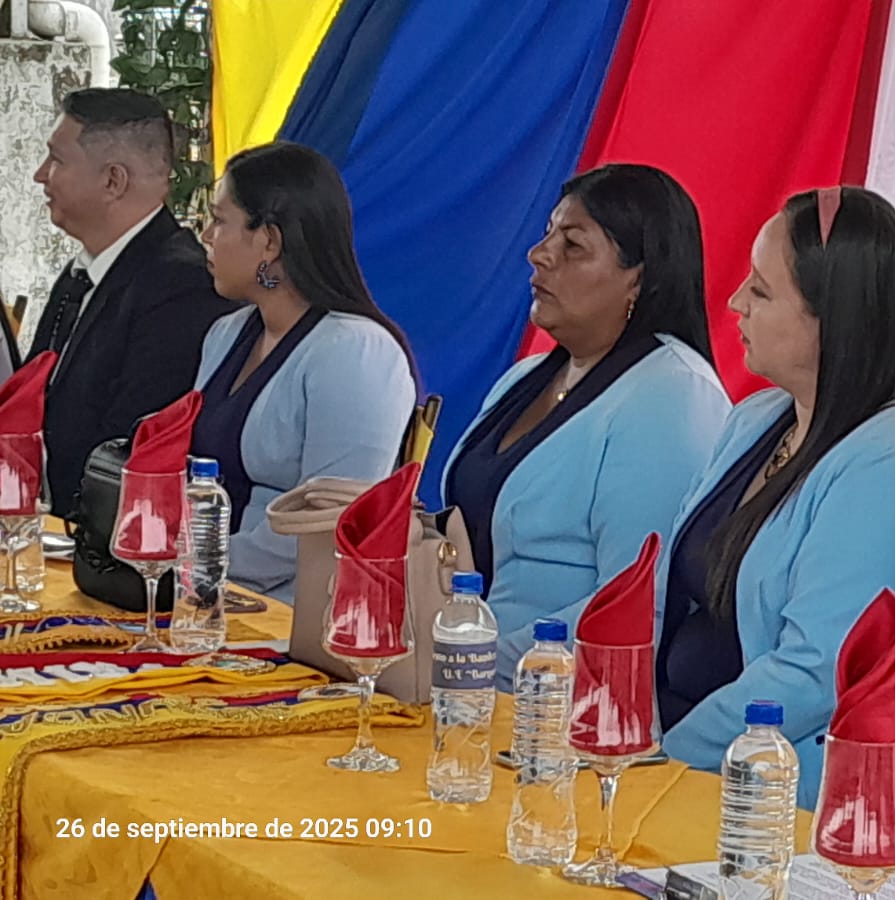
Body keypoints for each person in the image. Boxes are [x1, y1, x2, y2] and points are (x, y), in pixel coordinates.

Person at [656, 186, 895, 808]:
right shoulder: (757, 418)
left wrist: (661, 761)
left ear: (835, 317)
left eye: (762, 291)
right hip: (685, 755)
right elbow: (667, 593)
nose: (736, 303)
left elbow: (816, 673)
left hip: (778, 798)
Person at [442, 164, 730, 688]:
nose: (539, 254)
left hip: (557, 707)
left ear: (638, 277)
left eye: (572, 245)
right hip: (463, 681)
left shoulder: (672, 392)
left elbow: (636, 604)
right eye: (547, 234)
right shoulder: (525, 378)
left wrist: (477, 663)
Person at [192, 142, 416, 601]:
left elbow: (325, 523)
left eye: (219, 220)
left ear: (269, 241)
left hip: (294, 610)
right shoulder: (226, 334)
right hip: (206, 590)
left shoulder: (354, 352)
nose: (206, 235)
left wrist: (197, 563)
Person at [30, 88, 235, 515]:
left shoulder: (180, 287)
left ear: (113, 181)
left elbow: (127, 450)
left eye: (57, 160)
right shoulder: (84, 272)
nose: (40, 175)